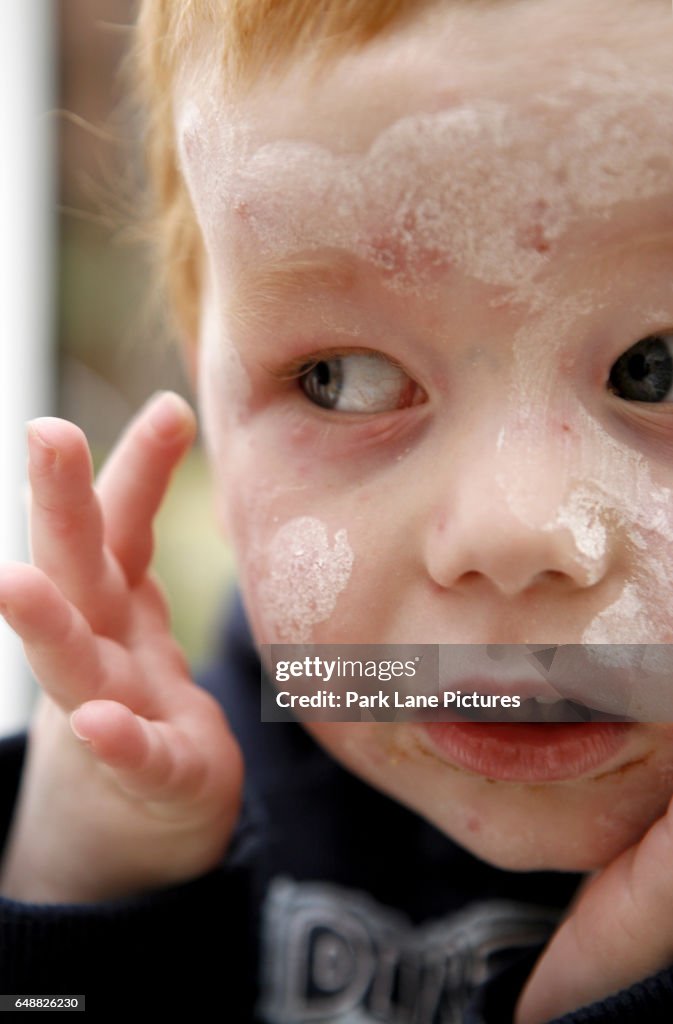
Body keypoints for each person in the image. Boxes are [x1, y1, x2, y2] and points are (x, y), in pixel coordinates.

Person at [1, 0, 673, 1019]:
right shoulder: (171, 804)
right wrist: (78, 888)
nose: (513, 531)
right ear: (209, 404)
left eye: (654, 368)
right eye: (343, 378)